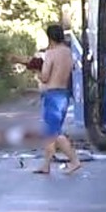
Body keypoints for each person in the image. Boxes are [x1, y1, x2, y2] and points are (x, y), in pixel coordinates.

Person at [25, 24, 83, 175]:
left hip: (52, 94)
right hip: (64, 93)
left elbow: (45, 77)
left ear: (50, 37)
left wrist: (37, 73)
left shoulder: (51, 53)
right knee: (51, 132)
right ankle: (46, 165)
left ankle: (74, 160)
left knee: (54, 133)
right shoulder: (68, 52)